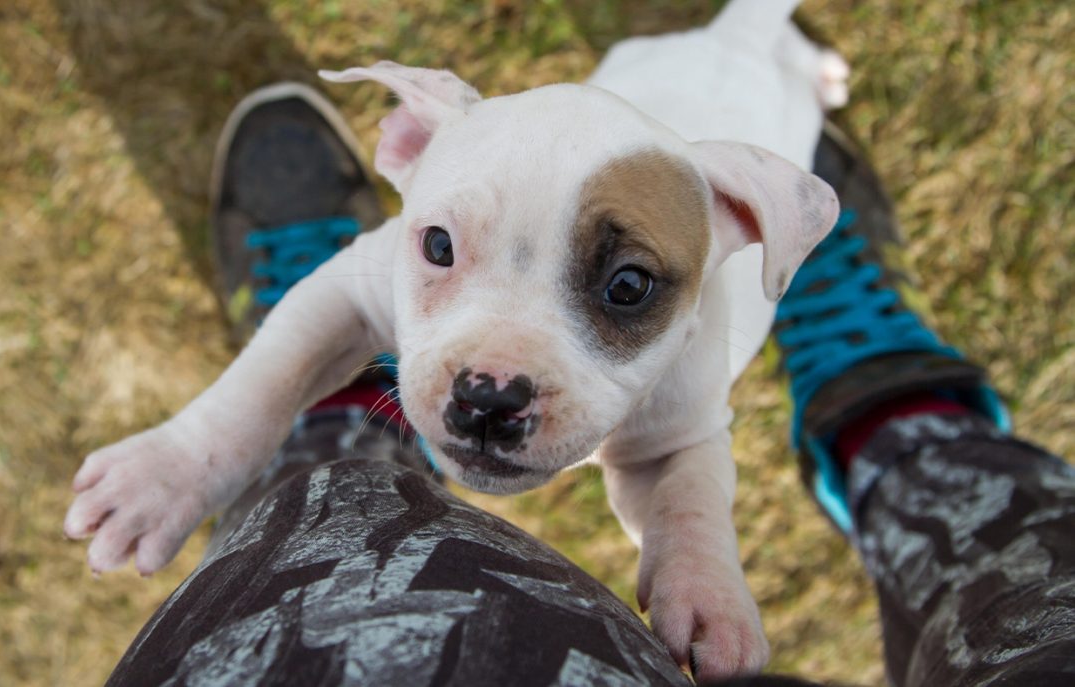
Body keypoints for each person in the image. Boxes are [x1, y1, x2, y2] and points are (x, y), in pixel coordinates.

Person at [102, 84, 1075, 687]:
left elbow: (677, 445)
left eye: (619, 289)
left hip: (732, 121)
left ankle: (342, 430)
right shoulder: (468, 164)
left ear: (743, 224)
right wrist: (197, 452)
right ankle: (904, 428)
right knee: (358, 302)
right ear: (406, 152)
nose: (491, 384)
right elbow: (346, 295)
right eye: (440, 246)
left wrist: (690, 541)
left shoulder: (706, 199)